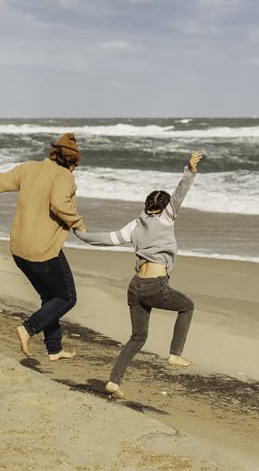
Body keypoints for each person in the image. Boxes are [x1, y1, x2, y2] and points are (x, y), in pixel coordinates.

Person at [73, 151, 203, 399]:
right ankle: (175, 354)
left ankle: (113, 381)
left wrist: (80, 234)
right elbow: (180, 193)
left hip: (135, 287)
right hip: (155, 286)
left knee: (138, 336)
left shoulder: (135, 225)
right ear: (166, 209)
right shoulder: (167, 216)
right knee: (187, 306)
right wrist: (190, 171)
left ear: (146, 206)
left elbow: (107, 239)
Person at [0, 133, 88, 361]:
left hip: (20, 250)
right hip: (43, 251)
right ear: (72, 161)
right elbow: (59, 203)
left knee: (49, 296)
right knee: (67, 298)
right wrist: (80, 225)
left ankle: (54, 349)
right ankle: (28, 328)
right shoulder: (64, 177)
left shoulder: (29, 168)